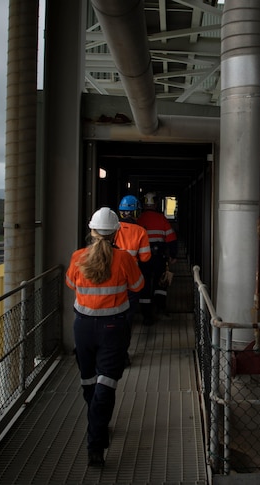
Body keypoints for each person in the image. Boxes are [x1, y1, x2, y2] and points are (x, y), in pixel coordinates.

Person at [65, 207, 144, 467]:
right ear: (115, 233)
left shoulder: (78, 257)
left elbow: (71, 285)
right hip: (114, 328)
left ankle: (97, 428)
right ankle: (95, 444)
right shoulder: (124, 259)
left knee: (89, 382)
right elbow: (137, 287)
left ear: (92, 230)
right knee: (106, 384)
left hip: (83, 328)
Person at [113, 194, 150, 365]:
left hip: (112, 279)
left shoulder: (113, 229)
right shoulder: (140, 231)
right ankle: (122, 355)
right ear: (136, 212)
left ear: (121, 212)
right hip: (131, 280)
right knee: (127, 318)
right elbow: (145, 258)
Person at [136, 191, 178, 324]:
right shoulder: (162, 219)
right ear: (155, 205)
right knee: (161, 282)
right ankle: (160, 308)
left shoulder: (139, 219)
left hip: (143, 258)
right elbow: (171, 239)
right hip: (159, 257)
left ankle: (146, 314)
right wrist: (173, 255)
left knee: (145, 283)